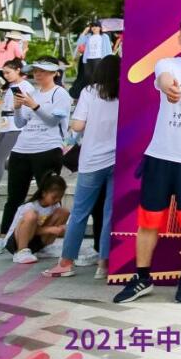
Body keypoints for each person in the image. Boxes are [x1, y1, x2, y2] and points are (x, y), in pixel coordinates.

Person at [112, 15, 181, 304]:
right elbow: (163, 80)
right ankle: (142, 277)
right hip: (160, 156)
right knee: (149, 220)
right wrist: (169, 87)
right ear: (179, 38)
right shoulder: (167, 65)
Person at [43, 55, 120, 280]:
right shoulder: (125, 93)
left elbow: (77, 125)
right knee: (109, 214)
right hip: (117, 160)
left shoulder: (89, 92)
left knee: (79, 213)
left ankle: (66, 263)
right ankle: (104, 264)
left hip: (92, 160)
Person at [0, 57, 69, 257]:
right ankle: (4, 238)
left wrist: (34, 106)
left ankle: (45, 242)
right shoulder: (32, 93)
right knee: (14, 196)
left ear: (54, 73)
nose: (37, 74)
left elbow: (52, 121)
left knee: (49, 197)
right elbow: (21, 123)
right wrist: (17, 107)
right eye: (35, 71)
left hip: (47, 149)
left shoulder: (60, 94)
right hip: (22, 149)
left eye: (42, 70)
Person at [0, 59, 33, 211]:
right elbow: (6, 106)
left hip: (15, 126)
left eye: (8, 72)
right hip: (6, 126)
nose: (6, 75)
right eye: (4, 73)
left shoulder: (25, 86)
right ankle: (29, 172)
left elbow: (25, 107)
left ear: (18, 70)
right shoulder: (11, 86)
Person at [0, 173, 69, 264]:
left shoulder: (55, 206)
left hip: (36, 240)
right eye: (54, 197)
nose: (57, 200)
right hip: (16, 241)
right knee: (31, 215)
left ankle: (44, 248)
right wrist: (51, 229)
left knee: (64, 212)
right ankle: (21, 251)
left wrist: (63, 229)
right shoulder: (30, 206)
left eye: (60, 197)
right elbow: (26, 229)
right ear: (44, 193)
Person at [76, 22, 113, 87]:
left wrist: (109, 60)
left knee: (98, 77)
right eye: (92, 26)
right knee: (88, 77)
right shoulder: (88, 36)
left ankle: (99, 90)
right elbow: (79, 43)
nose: (94, 27)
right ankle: (90, 91)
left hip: (99, 58)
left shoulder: (104, 36)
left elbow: (108, 49)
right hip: (88, 59)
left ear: (100, 28)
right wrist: (84, 32)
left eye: (96, 26)